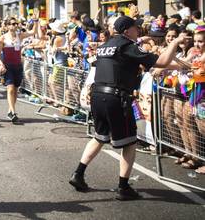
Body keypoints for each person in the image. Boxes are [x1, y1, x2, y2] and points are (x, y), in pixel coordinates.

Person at [69, 15, 189, 200]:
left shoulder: (107, 45)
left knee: (100, 136)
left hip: (98, 96)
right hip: (115, 97)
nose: (138, 30)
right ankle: (124, 187)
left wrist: (183, 66)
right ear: (126, 31)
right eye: (135, 28)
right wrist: (177, 42)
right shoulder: (127, 46)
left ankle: (78, 174)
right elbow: (162, 62)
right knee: (130, 142)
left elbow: (141, 62)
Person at [0, 16, 39, 122]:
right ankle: (14, 113)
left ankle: (10, 110)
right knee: (10, 89)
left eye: (16, 24)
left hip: (18, 66)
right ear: (8, 26)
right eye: (13, 24)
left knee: (15, 90)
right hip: (8, 66)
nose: (15, 25)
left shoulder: (20, 35)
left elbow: (33, 32)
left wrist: (36, 21)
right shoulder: (3, 38)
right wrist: (0, 65)